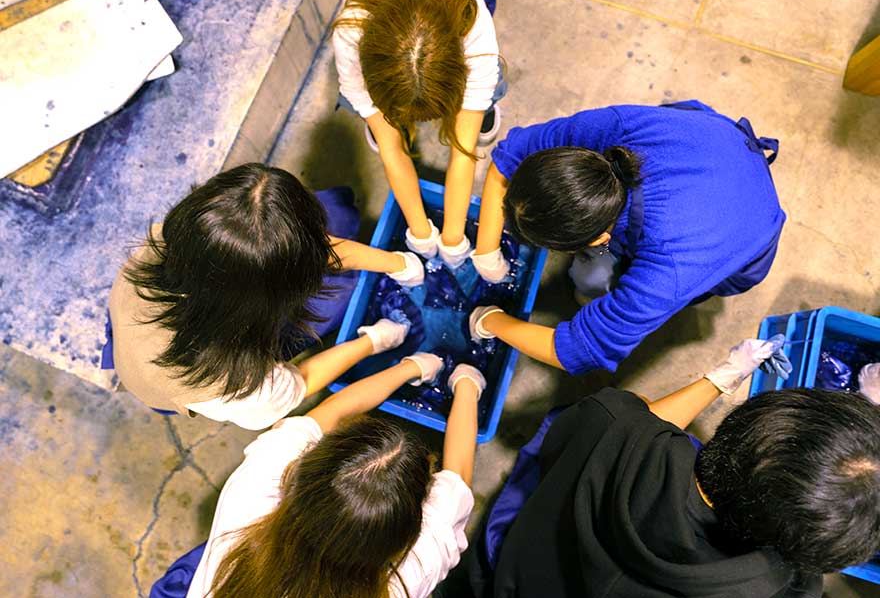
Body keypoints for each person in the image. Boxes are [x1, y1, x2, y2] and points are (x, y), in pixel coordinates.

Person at [475, 338, 880, 597]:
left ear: (742, 418)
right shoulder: (783, 587)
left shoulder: (608, 424)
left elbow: (629, 422)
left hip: (521, 575)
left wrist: (721, 377)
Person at [468, 101, 785, 376]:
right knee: (593, 273)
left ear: (599, 240)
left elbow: (581, 349)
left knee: (590, 280)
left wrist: (491, 320)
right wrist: (486, 252)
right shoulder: (614, 128)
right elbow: (509, 157)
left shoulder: (669, 269)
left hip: (750, 225)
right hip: (708, 145)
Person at [106, 163, 426, 429]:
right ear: (270, 300)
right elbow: (302, 379)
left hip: (162, 317)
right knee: (347, 293)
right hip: (167, 378)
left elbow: (308, 249)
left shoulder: (189, 237)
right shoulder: (235, 386)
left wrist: (398, 264)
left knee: (339, 209)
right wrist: (373, 341)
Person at [173, 353, 486, 598]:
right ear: (408, 533)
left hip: (239, 574)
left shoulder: (253, 492)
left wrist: (410, 367)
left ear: (305, 470)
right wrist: (466, 382)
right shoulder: (409, 575)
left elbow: (334, 412)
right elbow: (457, 476)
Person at [333, 0, 504, 269]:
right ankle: (387, 117)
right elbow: (391, 149)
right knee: (365, 114)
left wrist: (453, 236)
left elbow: (463, 151)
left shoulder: (471, 26)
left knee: (494, 82)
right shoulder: (349, 35)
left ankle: (483, 105)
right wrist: (420, 232)